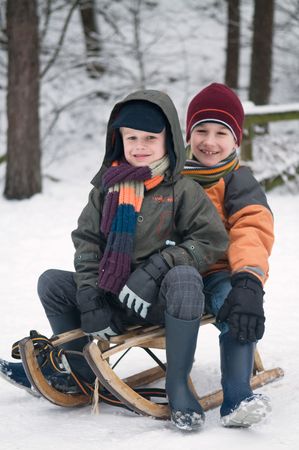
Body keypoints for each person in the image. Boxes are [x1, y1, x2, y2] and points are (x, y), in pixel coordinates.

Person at [0, 89, 228, 431]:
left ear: (170, 140)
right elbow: (88, 242)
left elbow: (210, 241)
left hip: (160, 302)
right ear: (117, 140)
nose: (140, 145)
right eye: (131, 137)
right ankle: (81, 374)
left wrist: (158, 266)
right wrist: (90, 297)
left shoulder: (181, 190)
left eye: (151, 137)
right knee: (51, 281)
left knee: (185, 278)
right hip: (113, 298)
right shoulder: (105, 190)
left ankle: (178, 386)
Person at [182, 82, 275, 428]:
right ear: (188, 134)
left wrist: (248, 279)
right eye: (201, 130)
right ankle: (71, 366)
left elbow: (251, 228)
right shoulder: (174, 179)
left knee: (234, 302)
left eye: (221, 132)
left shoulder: (239, 182)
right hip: (176, 276)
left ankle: (237, 396)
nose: (210, 141)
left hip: (222, 271)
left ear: (236, 139)